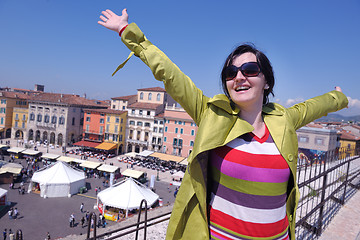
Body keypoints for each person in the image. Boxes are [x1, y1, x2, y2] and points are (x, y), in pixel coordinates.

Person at [98, 9, 348, 240]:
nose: (239, 76)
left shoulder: (284, 120)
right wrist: (126, 31)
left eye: (250, 69)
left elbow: (313, 106)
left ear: (267, 81)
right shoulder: (211, 115)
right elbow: (169, 73)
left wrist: (338, 98)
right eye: (231, 72)